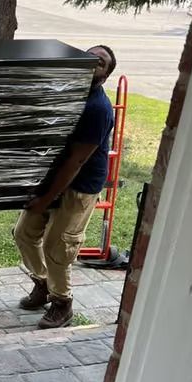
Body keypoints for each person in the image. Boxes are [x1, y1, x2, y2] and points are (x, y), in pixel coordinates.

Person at [13, 45, 116, 329]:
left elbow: (76, 161)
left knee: (58, 245)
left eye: (101, 61)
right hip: (51, 178)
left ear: (105, 76)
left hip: (80, 184)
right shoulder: (64, 92)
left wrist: (46, 199)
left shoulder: (97, 108)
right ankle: (43, 283)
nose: (93, 60)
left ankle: (63, 303)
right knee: (24, 233)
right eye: (90, 54)